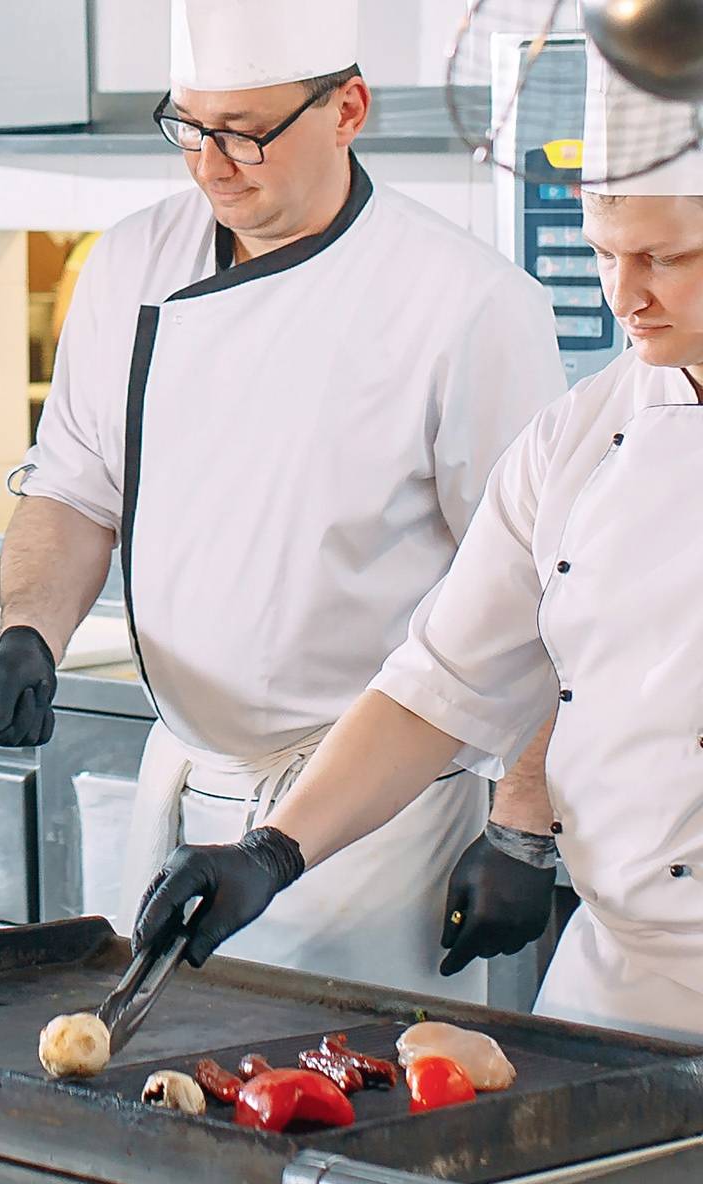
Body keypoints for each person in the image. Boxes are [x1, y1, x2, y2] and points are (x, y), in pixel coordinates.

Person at [0, 0, 566, 999]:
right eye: (188, 127)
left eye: (242, 133)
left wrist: (522, 821)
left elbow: (539, 598)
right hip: (183, 785)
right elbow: (72, 490)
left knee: (332, 1112)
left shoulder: (467, 304)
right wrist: (28, 631)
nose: (207, 164)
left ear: (347, 108)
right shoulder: (128, 264)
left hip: (371, 822)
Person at [138, 62, 703, 1040]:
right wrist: (272, 851)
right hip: (621, 983)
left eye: (664, 257)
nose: (624, 295)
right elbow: (433, 685)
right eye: (604, 253)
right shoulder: (574, 440)